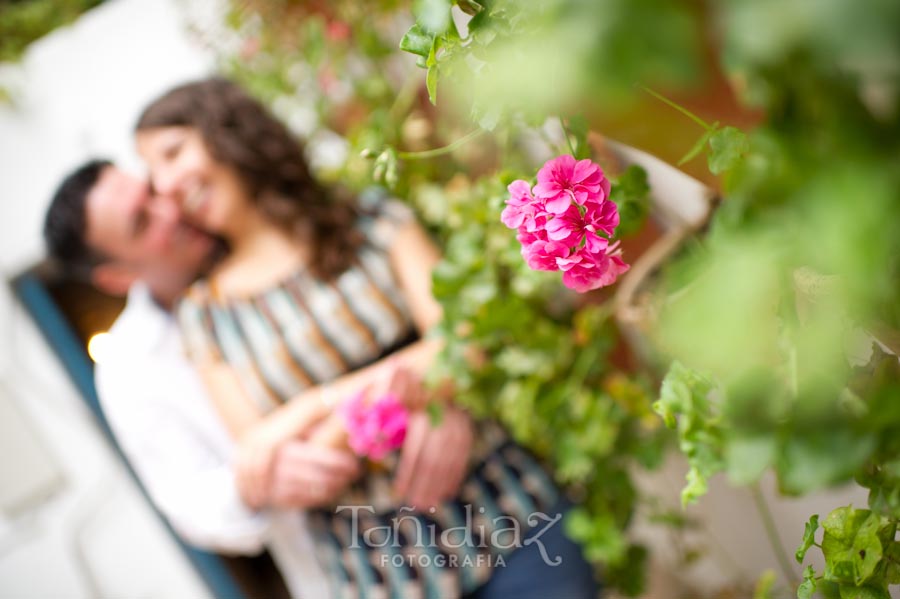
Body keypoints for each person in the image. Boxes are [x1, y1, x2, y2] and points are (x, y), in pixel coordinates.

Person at [133, 77, 599, 599]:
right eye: (153, 176)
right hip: (384, 578)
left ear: (225, 130)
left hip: (511, 526)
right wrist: (421, 380)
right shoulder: (204, 317)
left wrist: (314, 408)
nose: (166, 184)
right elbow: (283, 464)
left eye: (172, 153)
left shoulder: (371, 217)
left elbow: (467, 339)